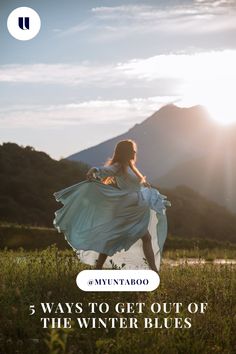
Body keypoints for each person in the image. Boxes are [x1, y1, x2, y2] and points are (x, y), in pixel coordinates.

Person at [53, 139, 170, 272]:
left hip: (135, 208)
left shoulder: (130, 167)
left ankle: (152, 270)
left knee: (140, 237)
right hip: (127, 208)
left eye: (134, 150)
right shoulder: (119, 166)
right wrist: (94, 170)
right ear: (125, 152)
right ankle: (152, 271)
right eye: (132, 150)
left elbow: (133, 184)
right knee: (117, 237)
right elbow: (105, 170)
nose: (134, 152)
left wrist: (144, 185)